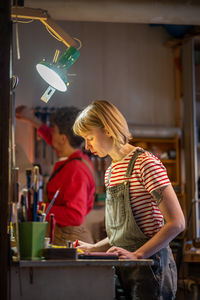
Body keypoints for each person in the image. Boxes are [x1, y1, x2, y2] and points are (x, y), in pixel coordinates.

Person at [73, 100, 185, 300]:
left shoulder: (145, 163)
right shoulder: (111, 171)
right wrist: (94, 247)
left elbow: (177, 223)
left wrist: (139, 255)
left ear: (107, 129)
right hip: (125, 267)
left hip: (151, 267)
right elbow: (123, 234)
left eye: (90, 137)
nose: (88, 147)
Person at [16, 105, 95, 245]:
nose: (51, 133)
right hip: (62, 235)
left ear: (63, 138)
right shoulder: (72, 156)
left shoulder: (76, 169)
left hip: (69, 240)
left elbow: (75, 216)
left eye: (55, 131)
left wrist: (37, 207)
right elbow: (53, 140)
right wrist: (32, 120)